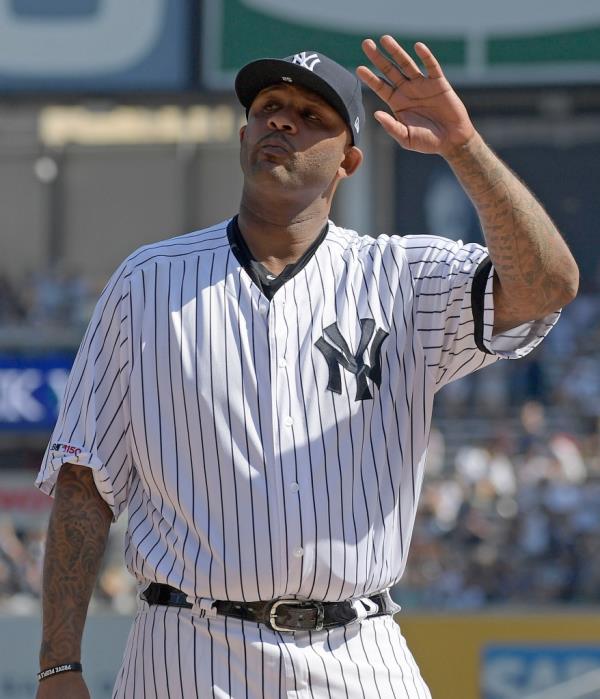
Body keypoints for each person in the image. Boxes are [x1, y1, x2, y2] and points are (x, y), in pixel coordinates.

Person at [35, 36, 578, 698]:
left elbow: (548, 284)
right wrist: (58, 664)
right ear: (244, 137)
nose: (283, 122)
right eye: (268, 107)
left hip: (357, 649)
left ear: (349, 160)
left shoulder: (402, 276)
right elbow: (84, 482)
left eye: (311, 115)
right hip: (185, 647)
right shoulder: (147, 281)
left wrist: (463, 146)